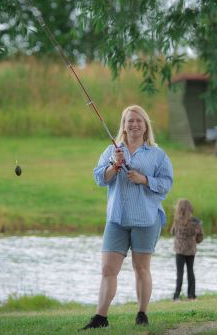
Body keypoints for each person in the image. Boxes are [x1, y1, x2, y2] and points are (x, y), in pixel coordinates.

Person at [81, 105, 173, 330]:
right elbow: (99, 178)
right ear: (123, 125)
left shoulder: (157, 154)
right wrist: (115, 165)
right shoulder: (112, 151)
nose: (133, 124)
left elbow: (166, 184)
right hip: (117, 220)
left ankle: (142, 313)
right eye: (129, 120)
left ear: (145, 126)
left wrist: (144, 179)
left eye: (138, 121)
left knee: (141, 269)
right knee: (107, 270)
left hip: (146, 219)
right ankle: (100, 317)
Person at [170, 199, 204, 301]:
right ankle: (191, 295)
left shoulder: (177, 221)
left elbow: (172, 232)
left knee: (179, 274)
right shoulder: (196, 222)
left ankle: (176, 296)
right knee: (190, 272)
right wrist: (195, 240)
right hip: (191, 251)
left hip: (179, 251)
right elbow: (200, 237)